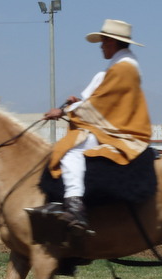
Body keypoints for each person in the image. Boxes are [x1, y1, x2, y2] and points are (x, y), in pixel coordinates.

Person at [43, 19, 152, 234]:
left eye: (102, 42)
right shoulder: (118, 67)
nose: (101, 46)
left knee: (70, 148)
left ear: (112, 42)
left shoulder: (123, 69)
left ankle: (75, 205)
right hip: (112, 126)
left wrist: (63, 111)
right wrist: (76, 104)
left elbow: (100, 104)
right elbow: (100, 99)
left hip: (121, 132)